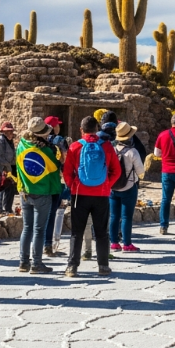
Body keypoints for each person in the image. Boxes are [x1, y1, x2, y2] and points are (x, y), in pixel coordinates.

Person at [63, 116, 121, 277]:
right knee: (102, 232)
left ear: (81, 130)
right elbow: (116, 171)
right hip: (101, 195)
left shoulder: (75, 147)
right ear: (97, 129)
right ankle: (103, 266)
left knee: (77, 232)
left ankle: (72, 267)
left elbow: (67, 172)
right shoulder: (107, 146)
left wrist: (73, 185)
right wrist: (107, 185)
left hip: (79, 195)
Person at [15, 117, 61, 274]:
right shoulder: (46, 151)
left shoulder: (21, 145)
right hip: (42, 192)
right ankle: (37, 264)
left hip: (25, 191)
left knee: (27, 228)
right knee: (39, 229)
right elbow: (55, 167)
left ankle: (23, 262)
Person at [109, 122, 145, 252]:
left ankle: (113, 242)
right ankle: (127, 243)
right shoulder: (133, 152)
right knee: (126, 217)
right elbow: (140, 171)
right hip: (129, 186)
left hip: (113, 187)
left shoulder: (112, 150)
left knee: (113, 216)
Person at [44, 116, 68, 257]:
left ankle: (40, 246)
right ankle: (49, 245)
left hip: (40, 181)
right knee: (53, 214)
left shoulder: (39, 141)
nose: (59, 127)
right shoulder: (59, 141)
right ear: (54, 127)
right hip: (55, 181)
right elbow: (65, 160)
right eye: (58, 125)